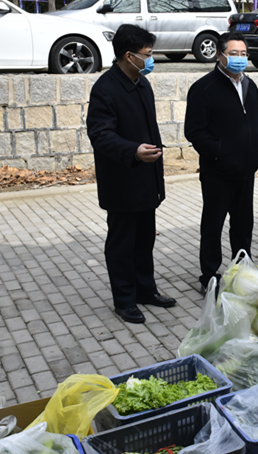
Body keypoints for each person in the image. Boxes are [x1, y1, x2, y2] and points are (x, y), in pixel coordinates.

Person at [86, 24, 176, 324]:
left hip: (147, 178)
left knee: (144, 241)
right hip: (122, 182)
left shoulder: (141, 83)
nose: (151, 60)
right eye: (147, 54)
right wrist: (133, 150)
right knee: (122, 245)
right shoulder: (106, 88)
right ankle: (124, 300)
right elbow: (100, 135)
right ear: (129, 55)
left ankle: (145, 290)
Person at [185, 32, 258, 294]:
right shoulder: (203, 88)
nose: (239, 58)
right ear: (220, 56)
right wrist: (219, 152)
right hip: (218, 171)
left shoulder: (249, 85)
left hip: (246, 170)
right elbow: (194, 131)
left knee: (243, 225)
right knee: (213, 225)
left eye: (243, 54)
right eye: (233, 54)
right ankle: (209, 276)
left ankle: (243, 272)